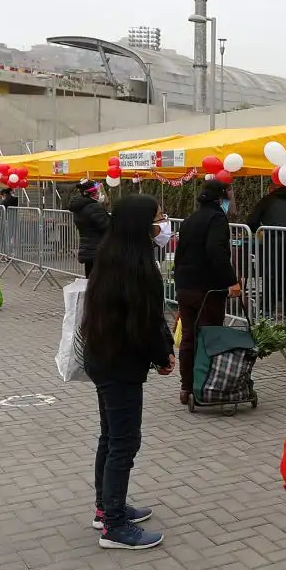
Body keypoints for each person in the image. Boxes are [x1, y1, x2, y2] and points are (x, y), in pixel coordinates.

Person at [81, 194, 175, 550]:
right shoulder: (135, 265)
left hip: (105, 357)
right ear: (140, 223)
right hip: (118, 363)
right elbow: (147, 321)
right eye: (158, 216)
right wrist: (162, 356)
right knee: (124, 442)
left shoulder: (112, 253)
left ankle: (106, 508)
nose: (162, 222)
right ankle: (114, 526)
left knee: (111, 436)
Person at [172, 178, 241, 405]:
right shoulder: (217, 218)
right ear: (220, 199)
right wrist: (232, 281)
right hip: (207, 289)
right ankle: (207, 384)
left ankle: (186, 387)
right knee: (209, 336)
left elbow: (180, 253)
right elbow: (216, 252)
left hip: (185, 286)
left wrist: (179, 282)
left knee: (189, 337)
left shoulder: (190, 219)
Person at [246, 183, 286, 321]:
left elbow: (251, 221)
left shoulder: (268, 200)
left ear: (272, 189)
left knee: (271, 276)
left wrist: (260, 230)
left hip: (273, 242)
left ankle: (266, 311)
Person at [68, 179, 110, 277]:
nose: (99, 194)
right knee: (99, 280)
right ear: (90, 193)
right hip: (98, 249)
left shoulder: (79, 207)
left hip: (88, 249)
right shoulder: (93, 207)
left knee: (90, 279)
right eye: (96, 192)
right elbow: (107, 226)